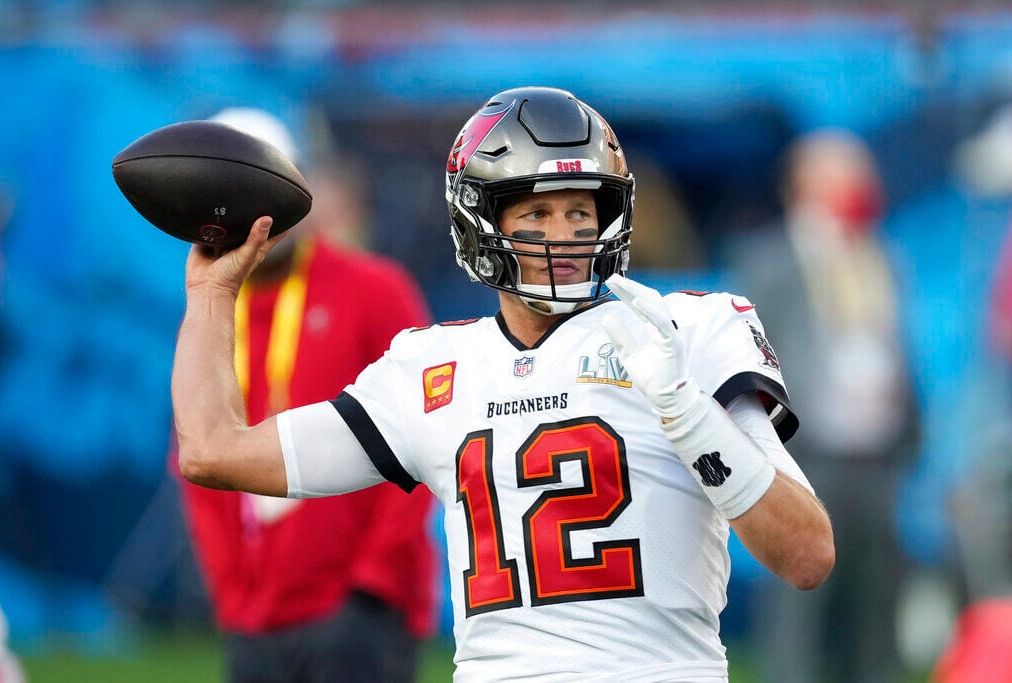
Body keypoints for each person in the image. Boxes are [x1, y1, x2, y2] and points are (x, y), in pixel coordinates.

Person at [172, 87, 834, 682]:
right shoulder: (433, 368)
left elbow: (806, 553)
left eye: (582, 209)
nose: (566, 234)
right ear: (480, 218)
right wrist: (210, 291)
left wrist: (687, 413)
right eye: (537, 213)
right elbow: (212, 450)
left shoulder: (687, 328)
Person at [172, 107, 439, 683]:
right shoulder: (210, 313)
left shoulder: (375, 290)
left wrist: (372, 584)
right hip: (257, 615)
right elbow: (194, 459)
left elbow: (423, 440)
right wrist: (234, 597)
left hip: (361, 611)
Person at [722, 129, 919, 683]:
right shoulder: (770, 260)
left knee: (876, 610)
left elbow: (895, 349)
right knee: (799, 615)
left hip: (875, 456)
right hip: (805, 456)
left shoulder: (878, 253)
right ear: (806, 183)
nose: (864, 186)